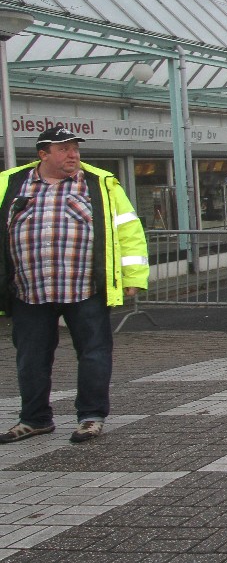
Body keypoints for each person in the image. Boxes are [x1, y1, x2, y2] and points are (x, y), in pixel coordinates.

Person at [0, 126, 149, 444]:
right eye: (64, 149)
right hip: (29, 290)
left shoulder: (100, 183)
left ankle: (91, 417)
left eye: (75, 148)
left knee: (94, 354)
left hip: (84, 289)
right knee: (30, 358)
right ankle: (35, 419)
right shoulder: (10, 183)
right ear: (43, 154)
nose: (73, 154)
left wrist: (133, 276)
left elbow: (129, 230)